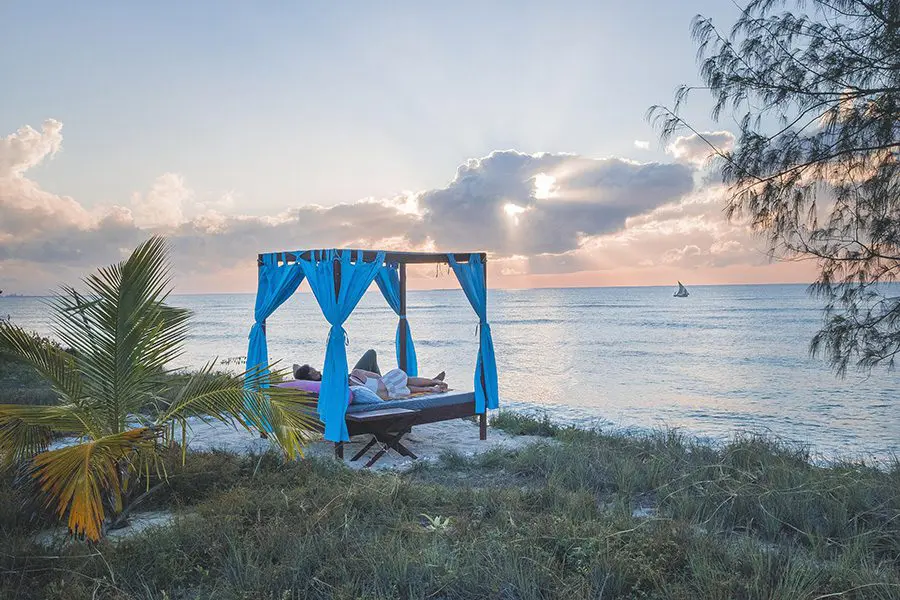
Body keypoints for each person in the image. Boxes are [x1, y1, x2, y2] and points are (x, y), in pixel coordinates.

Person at [293, 349, 447, 400]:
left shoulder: (317, 381)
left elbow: (296, 368)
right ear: (309, 377)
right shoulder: (322, 384)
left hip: (358, 382)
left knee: (402, 383)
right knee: (371, 355)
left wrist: (300, 372)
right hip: (359, 384)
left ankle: (432, 382)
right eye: (313, 372)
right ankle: (431, 382)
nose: (317, 371)